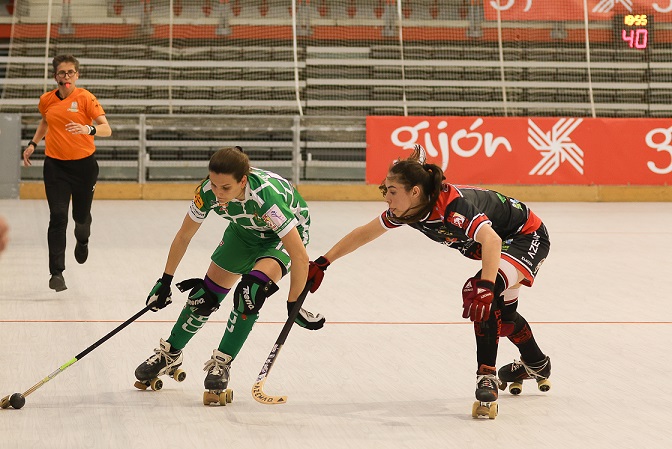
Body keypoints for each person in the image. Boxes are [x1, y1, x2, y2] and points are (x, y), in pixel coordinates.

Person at [307, 145, 551, 415]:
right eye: (385, 191)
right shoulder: (408, 209)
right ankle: (537, 363)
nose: (386, 198)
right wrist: (324, 261)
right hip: (499, 244)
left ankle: (487, 376)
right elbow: (365, 233)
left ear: (414, 191)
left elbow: (491, 240)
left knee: (480, 293)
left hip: (523, 237)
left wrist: (486, 286)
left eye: (392, 191)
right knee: (503, 320)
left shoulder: (451, 207)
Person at [134, 146, 324, 404]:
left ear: (243, 181)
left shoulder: (266, 197)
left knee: (250, 292)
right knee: (204, 296)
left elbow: (300, 256)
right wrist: (165, 280)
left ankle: (221, 363)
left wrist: (294, 303)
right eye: (214, 185)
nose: (218, 193)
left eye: (225, 188)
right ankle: (171, 353)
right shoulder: (207, 191)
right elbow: (184, 235)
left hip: (281, 238)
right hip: (243, 233)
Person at [22, 54, 112, 292]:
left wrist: (87, 128)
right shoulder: (46, 100)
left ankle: (82, 241)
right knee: (58, 216)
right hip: (55, 167)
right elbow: (46, 122)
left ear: (77, 75)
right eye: (62, 73)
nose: (67, 76)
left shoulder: (85, 98)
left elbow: (106, 128)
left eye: (71, 72)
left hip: (84, 167)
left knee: (81, 218)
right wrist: (33, 144)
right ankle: (56, 273)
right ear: (55, 77)